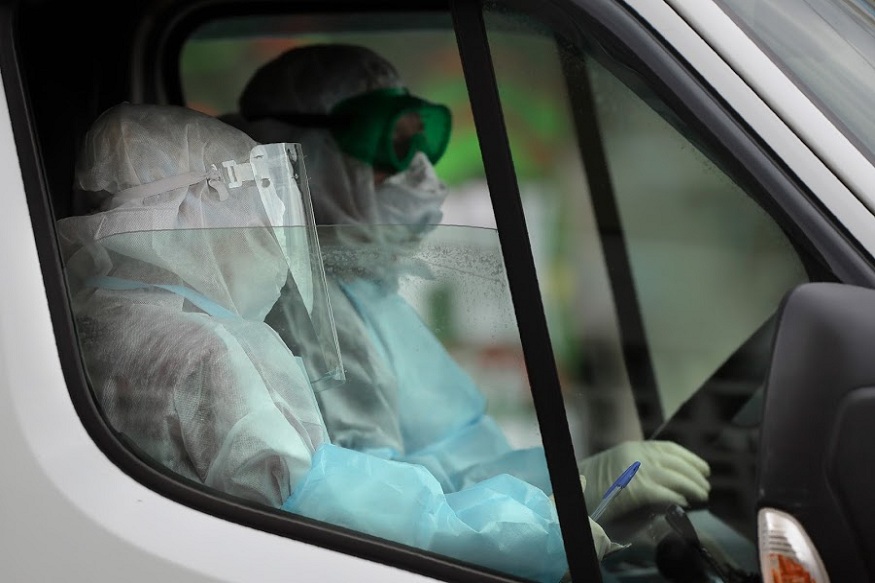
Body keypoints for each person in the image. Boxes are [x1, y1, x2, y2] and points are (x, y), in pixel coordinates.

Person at [57, 101, 612, 583]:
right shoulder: (199, 349)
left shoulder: (100, 316)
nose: (268, 229)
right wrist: (534, 536)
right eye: (248, 200)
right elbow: (323, 505)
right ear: (182, 213)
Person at [231, 40, 711, 550]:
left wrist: (575, 485)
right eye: (387, 144)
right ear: (297, 151)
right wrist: (545, 526)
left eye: (423, 141)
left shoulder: (358, 286)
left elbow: (448, 466)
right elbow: (375, 515)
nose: (420, 173)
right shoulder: (294, 305)